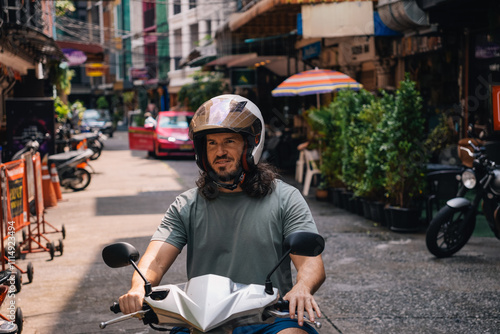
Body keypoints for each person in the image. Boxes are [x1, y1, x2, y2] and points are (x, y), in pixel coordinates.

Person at [119, 94, 326, 333]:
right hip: (201, 319)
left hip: (267, 317)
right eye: (212, 143)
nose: (220, 151)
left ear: (250, 145)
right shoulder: (186, 204)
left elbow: (311, 261)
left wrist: (303, 286)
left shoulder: (285, 198)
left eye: (229, 141)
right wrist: (138, 287)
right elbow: (155, 258)